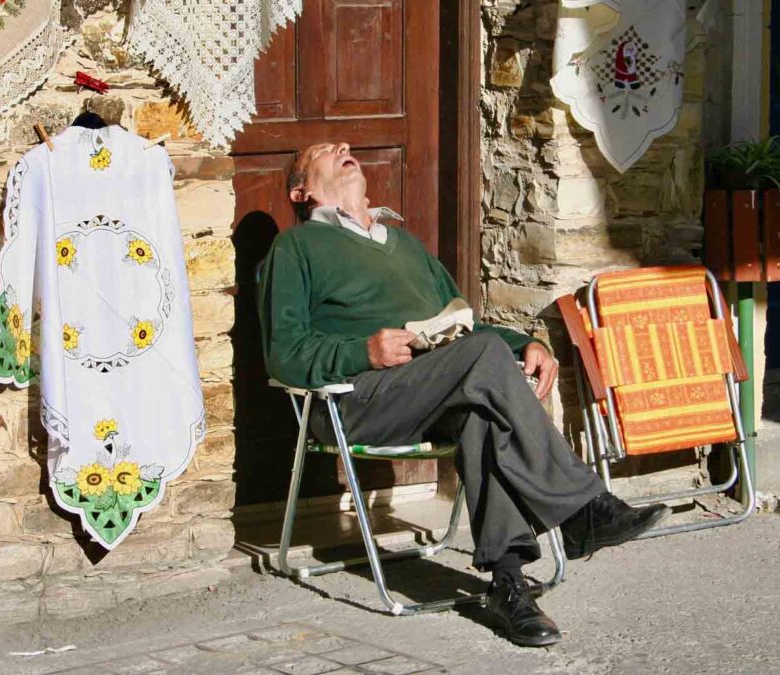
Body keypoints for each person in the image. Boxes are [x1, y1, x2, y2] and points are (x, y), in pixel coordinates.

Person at [256, 142, 670, 647]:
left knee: (483, 411)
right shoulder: (296, 248)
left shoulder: (405, 245)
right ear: (301, 190)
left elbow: (463, 325)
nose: (345, 147)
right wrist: (362, 350)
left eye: (345, 147)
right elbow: (285, 353)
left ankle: (508, 582)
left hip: (435, 388)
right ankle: (582, 506)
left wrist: (528, 343)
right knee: (484, 362)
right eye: (327, 150)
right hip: (354, 399)